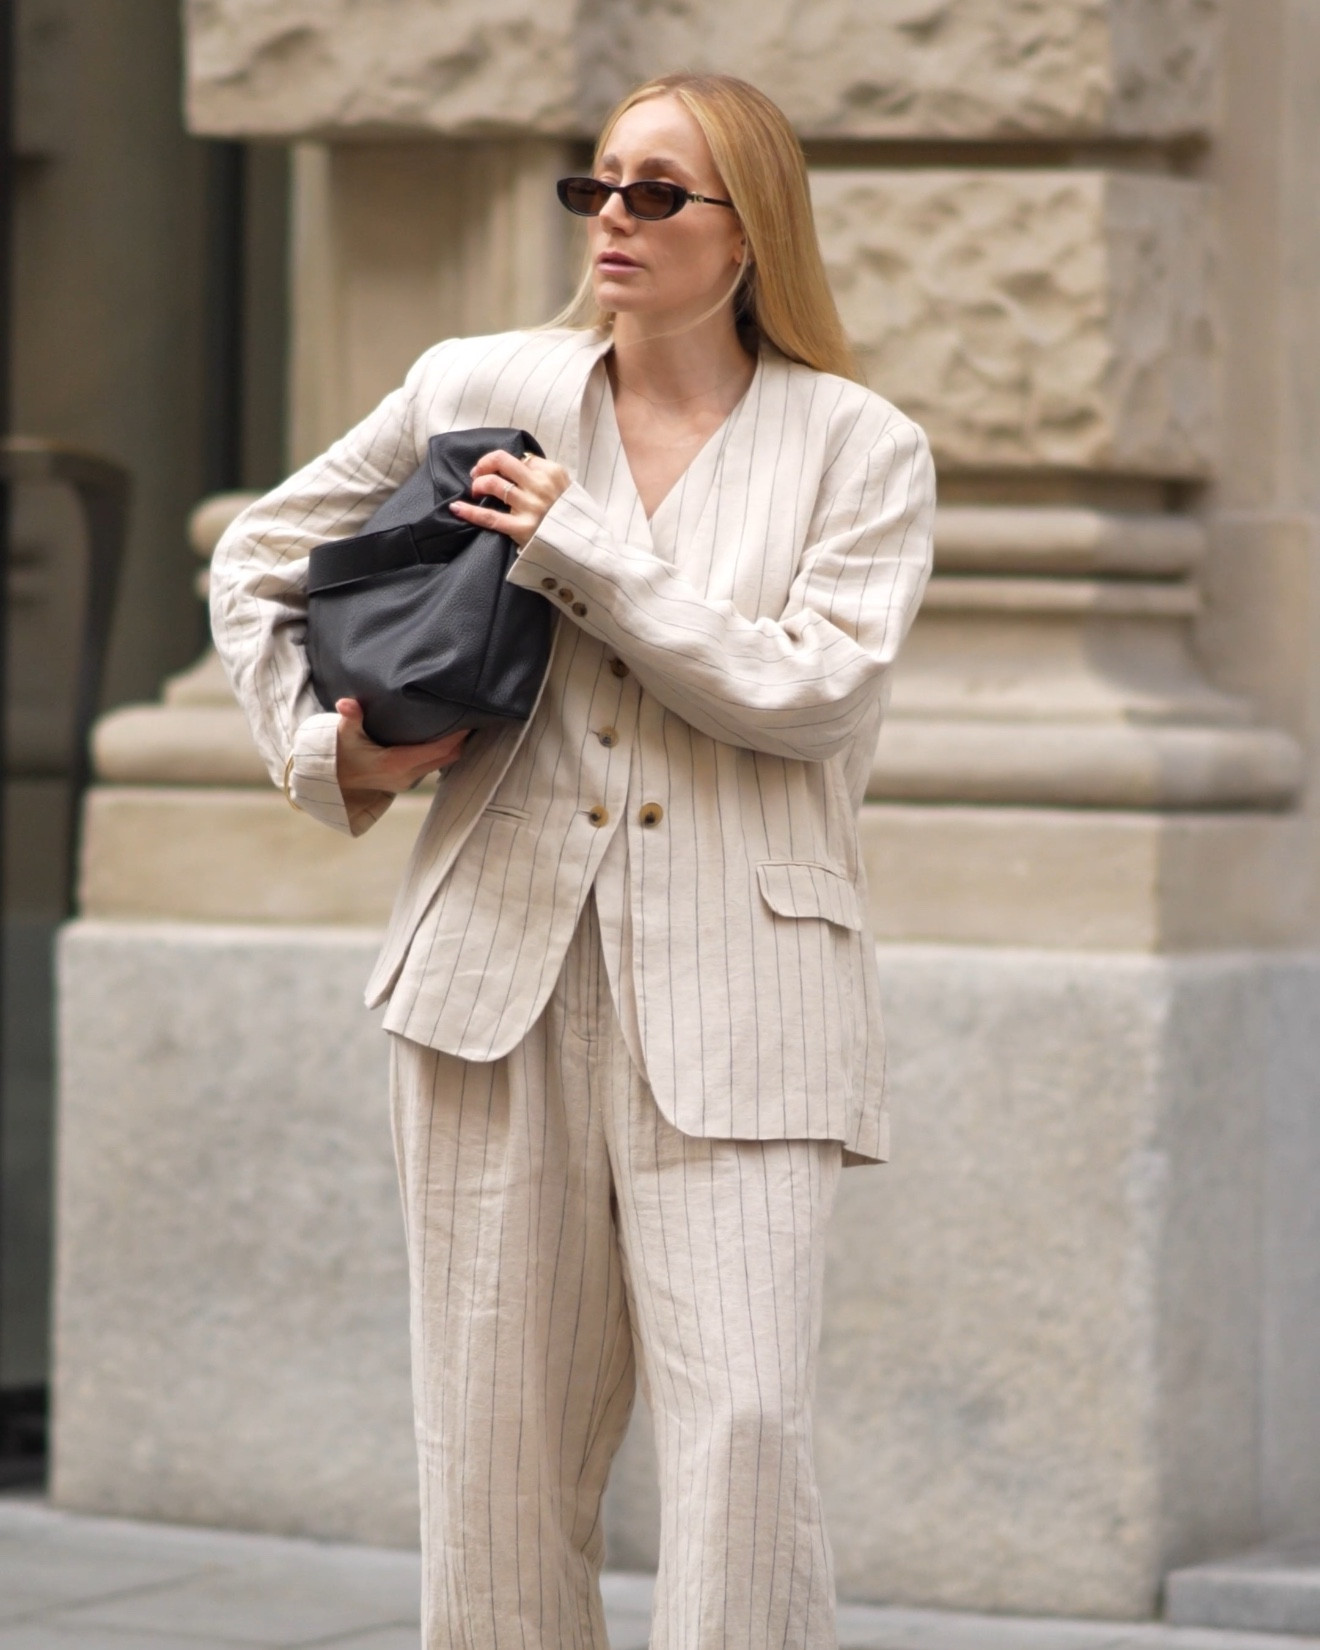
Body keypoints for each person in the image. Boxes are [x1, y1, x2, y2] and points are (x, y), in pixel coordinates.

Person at [211, 70, 935, 1650]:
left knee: (744, 1431)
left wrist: (582, 552)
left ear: (754, 229)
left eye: (660, 191)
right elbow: (259, 555)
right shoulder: (485, 380)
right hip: (492, 981)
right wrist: (329, 750)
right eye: (599, 184)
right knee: (496, 1452)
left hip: (748, 1003)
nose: (615, 214)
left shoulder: (859, 447)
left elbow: (809, 693)